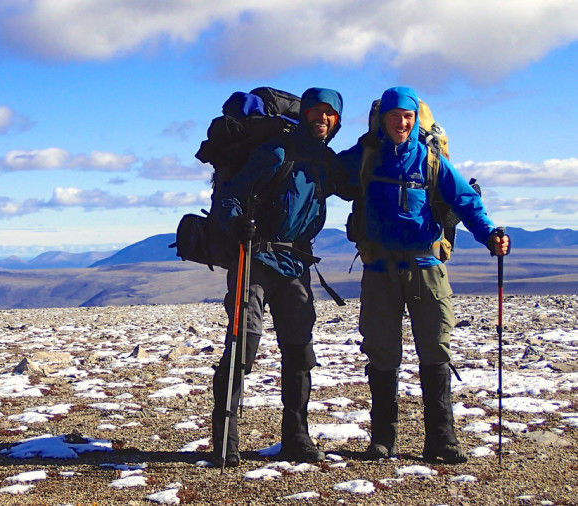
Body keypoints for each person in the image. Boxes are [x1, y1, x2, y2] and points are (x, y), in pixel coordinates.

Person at [337, 86, 510, 463]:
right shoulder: (366, 156)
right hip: (379, 266)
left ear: (416, 120)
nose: (402, 122)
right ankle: (383, 439)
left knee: (435, 347)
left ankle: (442, 440)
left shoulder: (431, 161)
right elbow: (325, 173)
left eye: (408, 116)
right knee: (382, 350)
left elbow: (466, 201)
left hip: (426, 266)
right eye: (395, 115)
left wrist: (490, 235)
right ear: (383, 118)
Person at [211, 87, 352, 467]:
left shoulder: (328, 162)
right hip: (255, 258)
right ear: (304, 114)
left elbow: (362, 186)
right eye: (316, 112)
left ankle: (296, 438)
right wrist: (236, 220)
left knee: (299, 350)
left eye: (330, 114)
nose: (323, 118)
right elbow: (231, 196)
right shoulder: (277, 151)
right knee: (244, 344)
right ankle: (225, 439)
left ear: (337, 121)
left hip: (295, 264)